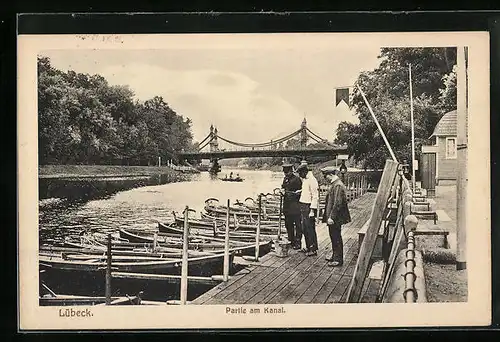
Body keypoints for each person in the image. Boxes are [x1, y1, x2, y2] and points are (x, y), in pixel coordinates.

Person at [321, 166, 351, 267]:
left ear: (331, 175)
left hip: (335, 218)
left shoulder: (337, 185)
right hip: (333, 217)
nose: (325, 178)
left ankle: (338, 259)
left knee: (336, 237)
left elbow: (338, 203)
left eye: (326, 176)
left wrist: (332, 217)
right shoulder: (335, 184)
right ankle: (335, 255)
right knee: (333, 236)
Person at [296, 162, 320, 256]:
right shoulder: (306, 179)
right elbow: (307, 190)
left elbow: (315, 196)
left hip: (308, 206)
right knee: (304, 228)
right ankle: (308, 246)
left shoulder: (312, 180)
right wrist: (301, 191)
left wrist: (312, 210)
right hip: (303, 205)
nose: (300, 176)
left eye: (300, 173)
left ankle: (313, 249)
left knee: (310, 228)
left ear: (304, 172)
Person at [280, 163, 303, 249]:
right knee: (288, 224)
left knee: (297, 225)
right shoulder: (285, 179)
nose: (285, 174)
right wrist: (282, 191)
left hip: (295, 206)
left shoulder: (297, 180)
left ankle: (298, 242)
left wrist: (286, 193)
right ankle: (291, 240)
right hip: (287, 206)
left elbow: (299, 193)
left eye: (287, 172)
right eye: (284, 172)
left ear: (291, 171)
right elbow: (283, 187)